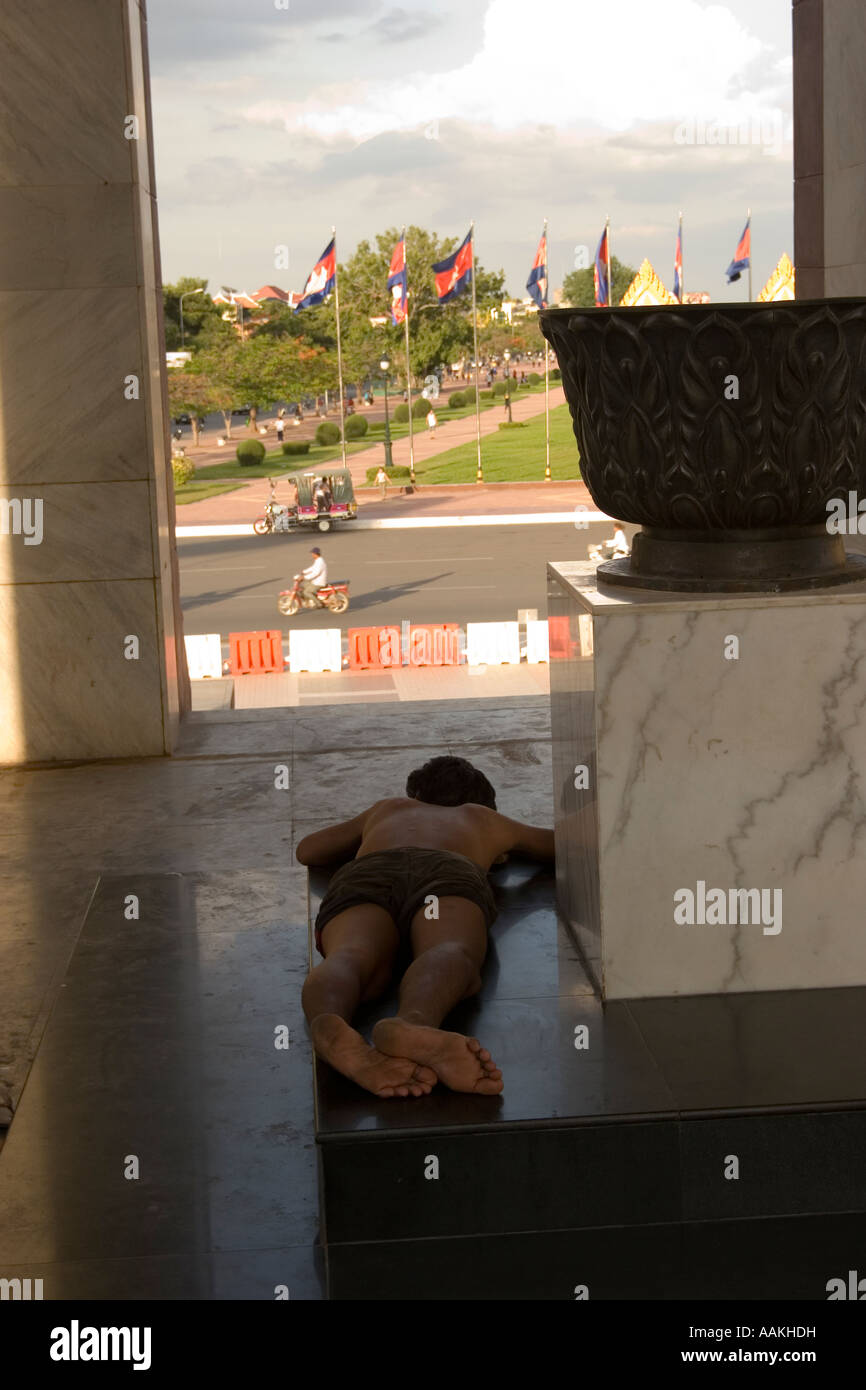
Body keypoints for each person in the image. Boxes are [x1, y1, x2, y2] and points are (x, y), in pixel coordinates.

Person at [297, 756, 555, 1098]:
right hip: (446, 872)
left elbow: (308, 849)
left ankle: (329, 1021)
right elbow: (557, 845)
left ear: (415, 795)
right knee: (448, 950)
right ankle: (412, 1023)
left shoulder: (389, 808)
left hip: (370, 872)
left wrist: (366, 836)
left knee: (350, 955)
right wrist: (500, 849)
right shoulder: (481, 818)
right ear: (482, 802)